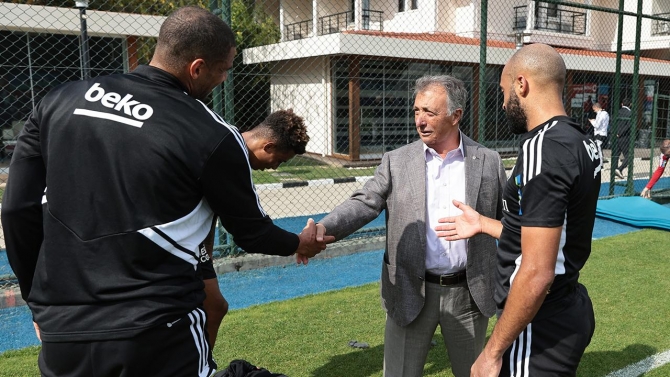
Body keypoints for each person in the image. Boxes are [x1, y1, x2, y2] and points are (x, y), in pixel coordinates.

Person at [1, 7, 330, 376]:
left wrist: (39, 302)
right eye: (224, 70)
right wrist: (299, 244)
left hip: (64, 331)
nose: (223, 79)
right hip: (157, 330)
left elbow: (16, 210)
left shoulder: (59, 99)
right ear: (197, 68)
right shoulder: (212, 134)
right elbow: (252, 232)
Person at [314, 75, 507, 377]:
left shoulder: (489, 162)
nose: (420, 120)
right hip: (410, 290)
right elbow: (364, 202)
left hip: (470, 293)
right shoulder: (396, 161)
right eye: (417, 111)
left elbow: (505, 224)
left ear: (456, 115)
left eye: (430, 112)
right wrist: (323, 230)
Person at [437, 43, 601, 377]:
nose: (501, 102)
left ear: (521, 85)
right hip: (566, 307)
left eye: (503, 91)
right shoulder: (582, 141)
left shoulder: (545, 147)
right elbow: (548, 236)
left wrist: (491, 353)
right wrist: (485, 223)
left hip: (539, 321)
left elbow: (538, 270)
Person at [201, 108, 311, 348]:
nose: (275, 168)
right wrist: (300, 243)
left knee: (214, 307)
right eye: (279, 161)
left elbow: (207, 207)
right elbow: (254, 234)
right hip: (158, 239)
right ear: (268, 146)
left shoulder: (227, 137)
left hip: (190, 245)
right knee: (201, 309)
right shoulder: (230, 154)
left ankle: (201, 365)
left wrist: (206, 253)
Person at [613, 98, 633, 179]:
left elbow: (613, 122)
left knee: (615, 155)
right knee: (629, 156)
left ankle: (614, 170)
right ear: (630, 104)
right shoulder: (630, 113)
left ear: (622, 104)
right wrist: (620, 133)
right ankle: (619, 169)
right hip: (624, 137)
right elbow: (628, 126)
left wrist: (615, 133)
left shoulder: (617, 112)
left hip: (616, 136)